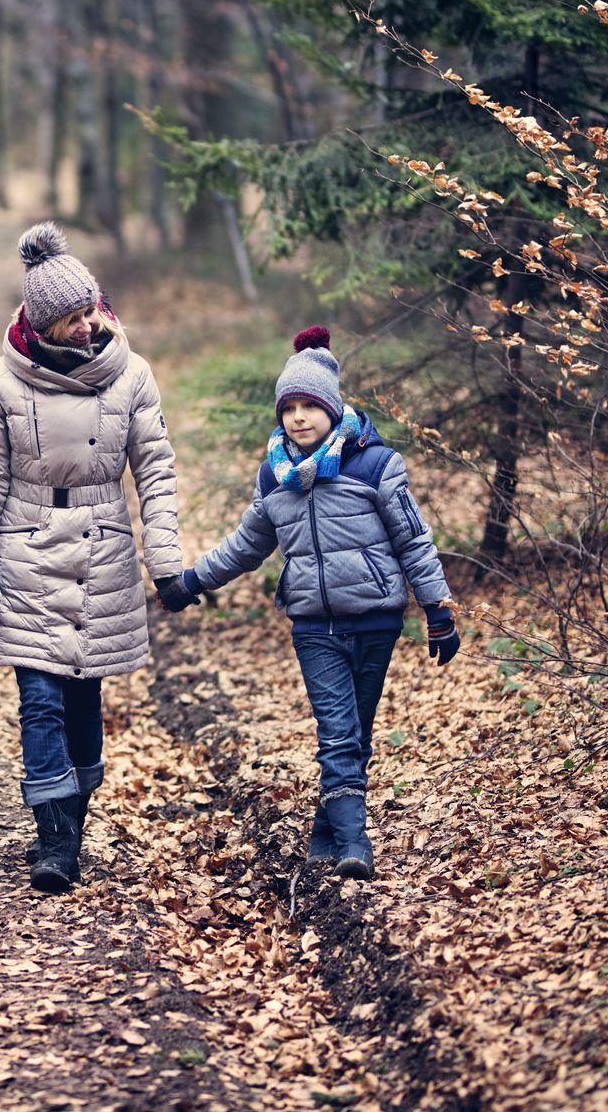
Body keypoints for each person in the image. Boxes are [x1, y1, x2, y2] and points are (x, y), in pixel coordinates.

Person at [158, 326, 458, 880]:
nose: (298, 417)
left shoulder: (374, 465)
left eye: (309, 406)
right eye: (288, 407)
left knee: (357, 730)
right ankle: (353, 842)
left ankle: (327, 832)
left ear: (332, 407)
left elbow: (413, 539)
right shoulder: (275, 476)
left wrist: (437, 608)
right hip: (313, 624)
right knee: (338, 731)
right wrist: (192, 580)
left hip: (375, 618)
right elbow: (248, 543)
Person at [0, 223, 182, 895]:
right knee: (40, 699)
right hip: (24, 545)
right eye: (71, 319)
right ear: (41, 324)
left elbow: (156, 472)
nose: (87, 326)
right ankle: (53, 839)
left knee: (83, 699)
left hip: (102, 543)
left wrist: (163, 559)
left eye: (91, 311)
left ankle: (71, 821)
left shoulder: (132, 375)